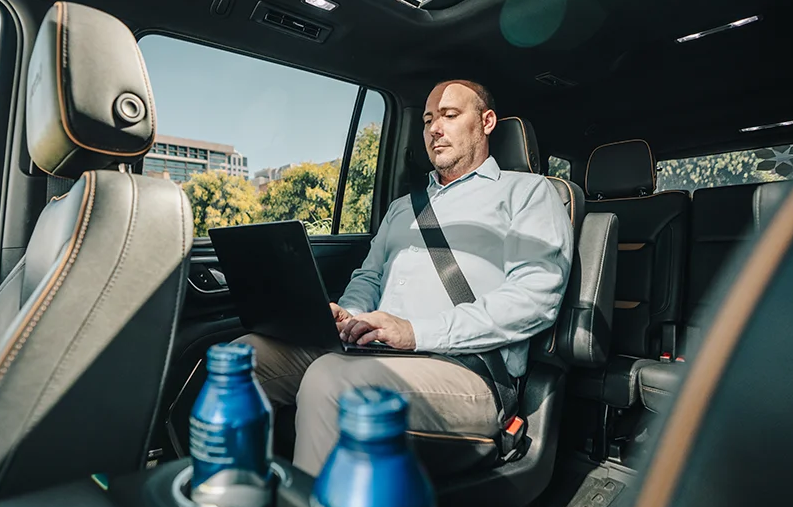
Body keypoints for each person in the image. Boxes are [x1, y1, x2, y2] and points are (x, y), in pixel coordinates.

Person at [235, 80, 573, 476]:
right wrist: (349, 314)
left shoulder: (529, 193)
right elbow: (370, 275)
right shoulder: (402, 207)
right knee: (243, 357)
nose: (434, 128)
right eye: (429, 119)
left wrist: (415, 332)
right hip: (371, 351)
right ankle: (232, 499)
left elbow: (534, 299)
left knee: (331, 380)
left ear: (486, 122)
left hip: (469, 371)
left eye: (449, 115)